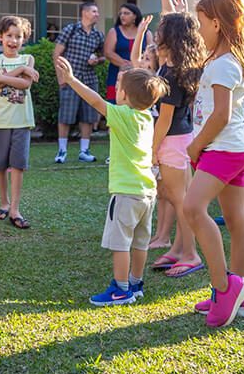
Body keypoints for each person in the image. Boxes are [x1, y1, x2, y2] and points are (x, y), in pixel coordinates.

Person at [56, 56, 167, 306]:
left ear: (126, 96)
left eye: (118, 88)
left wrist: (71, 80)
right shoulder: (147, 117)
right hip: (147, 192)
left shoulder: (123, 115)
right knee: (140, 243)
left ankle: (120, 289)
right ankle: (136, 283)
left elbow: (95, 101)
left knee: (121, 243)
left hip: (126, 193)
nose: (115, 91)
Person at [182, 0, 244, 328]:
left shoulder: (226, 64)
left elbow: (221, 115)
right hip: (234, 149)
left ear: (216, 23)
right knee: (238, 222)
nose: (198, 31)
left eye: (201, 24)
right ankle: (239, 297)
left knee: (192, 209)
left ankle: (224, 288)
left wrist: (196, 144)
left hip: (223, 149)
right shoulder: (222, 60)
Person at [139, 9, 205, 277]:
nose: (158, 31)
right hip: (180, 138)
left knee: (181, 201)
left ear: (173, 36)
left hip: (173, 140)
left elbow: (165, 118)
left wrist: (153, 150)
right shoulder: (177, 66)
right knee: (178, 197)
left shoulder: (172, 72)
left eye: (163, 27)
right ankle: (178, 248)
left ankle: (190, 254)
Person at [0, 16, 39, 230]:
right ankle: (4, 203)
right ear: (0, 37)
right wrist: (18, 71)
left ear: (23, 39)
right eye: (9, 35)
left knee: (18, 164)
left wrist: (7, 76)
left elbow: (25, 84)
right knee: (0, 165)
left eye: (18, 36)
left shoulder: (29, 59)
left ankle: (15, 208)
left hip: (21, 121)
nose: (13, 40)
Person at [52, 1, 105, 163]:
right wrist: (61, 77)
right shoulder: (71, 30)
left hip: (89, 79)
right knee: (65, 115)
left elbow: (103, 56)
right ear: (85, 13)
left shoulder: (98, 35)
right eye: (94, 11)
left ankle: (84, 151)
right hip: (70, 78)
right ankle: (62, 151)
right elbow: (56, 54)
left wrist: (97, 60)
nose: (97, 14)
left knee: (88, 116)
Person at [104, 3, 153, 101]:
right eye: (121, 13)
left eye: (126, 13)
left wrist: (137, 64)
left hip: (139, 73)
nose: (122, 16)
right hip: (117, 72)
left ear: (135, 16)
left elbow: (152, 52)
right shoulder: (114, 31)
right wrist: (125, 64)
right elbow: (108, 52)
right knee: (115, 103)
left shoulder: (146, 33)